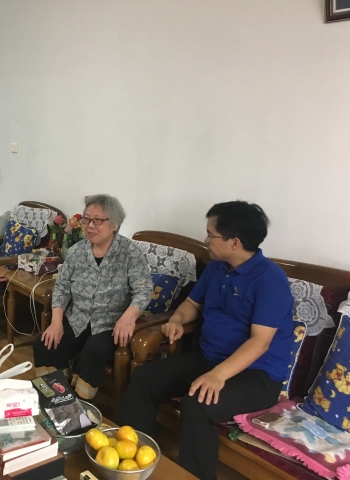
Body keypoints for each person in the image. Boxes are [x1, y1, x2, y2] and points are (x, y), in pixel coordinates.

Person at [116, 201, 294, 480]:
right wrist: (177, 319)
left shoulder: (270, 280)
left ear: (235, 242)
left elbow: (260, 342)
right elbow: (192, 304)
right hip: (209, 359)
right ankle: (126, 457)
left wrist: (218, 376)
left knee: (198, 405)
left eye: (211, 235)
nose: (206, 240)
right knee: (146, 378)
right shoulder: (217, 267)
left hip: (256, 375)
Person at [32, 194, 153, 400]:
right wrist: (56, 322)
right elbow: (62, 288)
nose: (90, 226)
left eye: (97, 220)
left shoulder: (130, 253)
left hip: (110, 323)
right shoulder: (77, 251)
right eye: (87, 219)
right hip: (77, 318)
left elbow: (143, 290)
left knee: (93, 351)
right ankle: (56, 397)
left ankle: (80, 403)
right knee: (44, 344)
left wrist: (128, 317)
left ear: (114, 224)